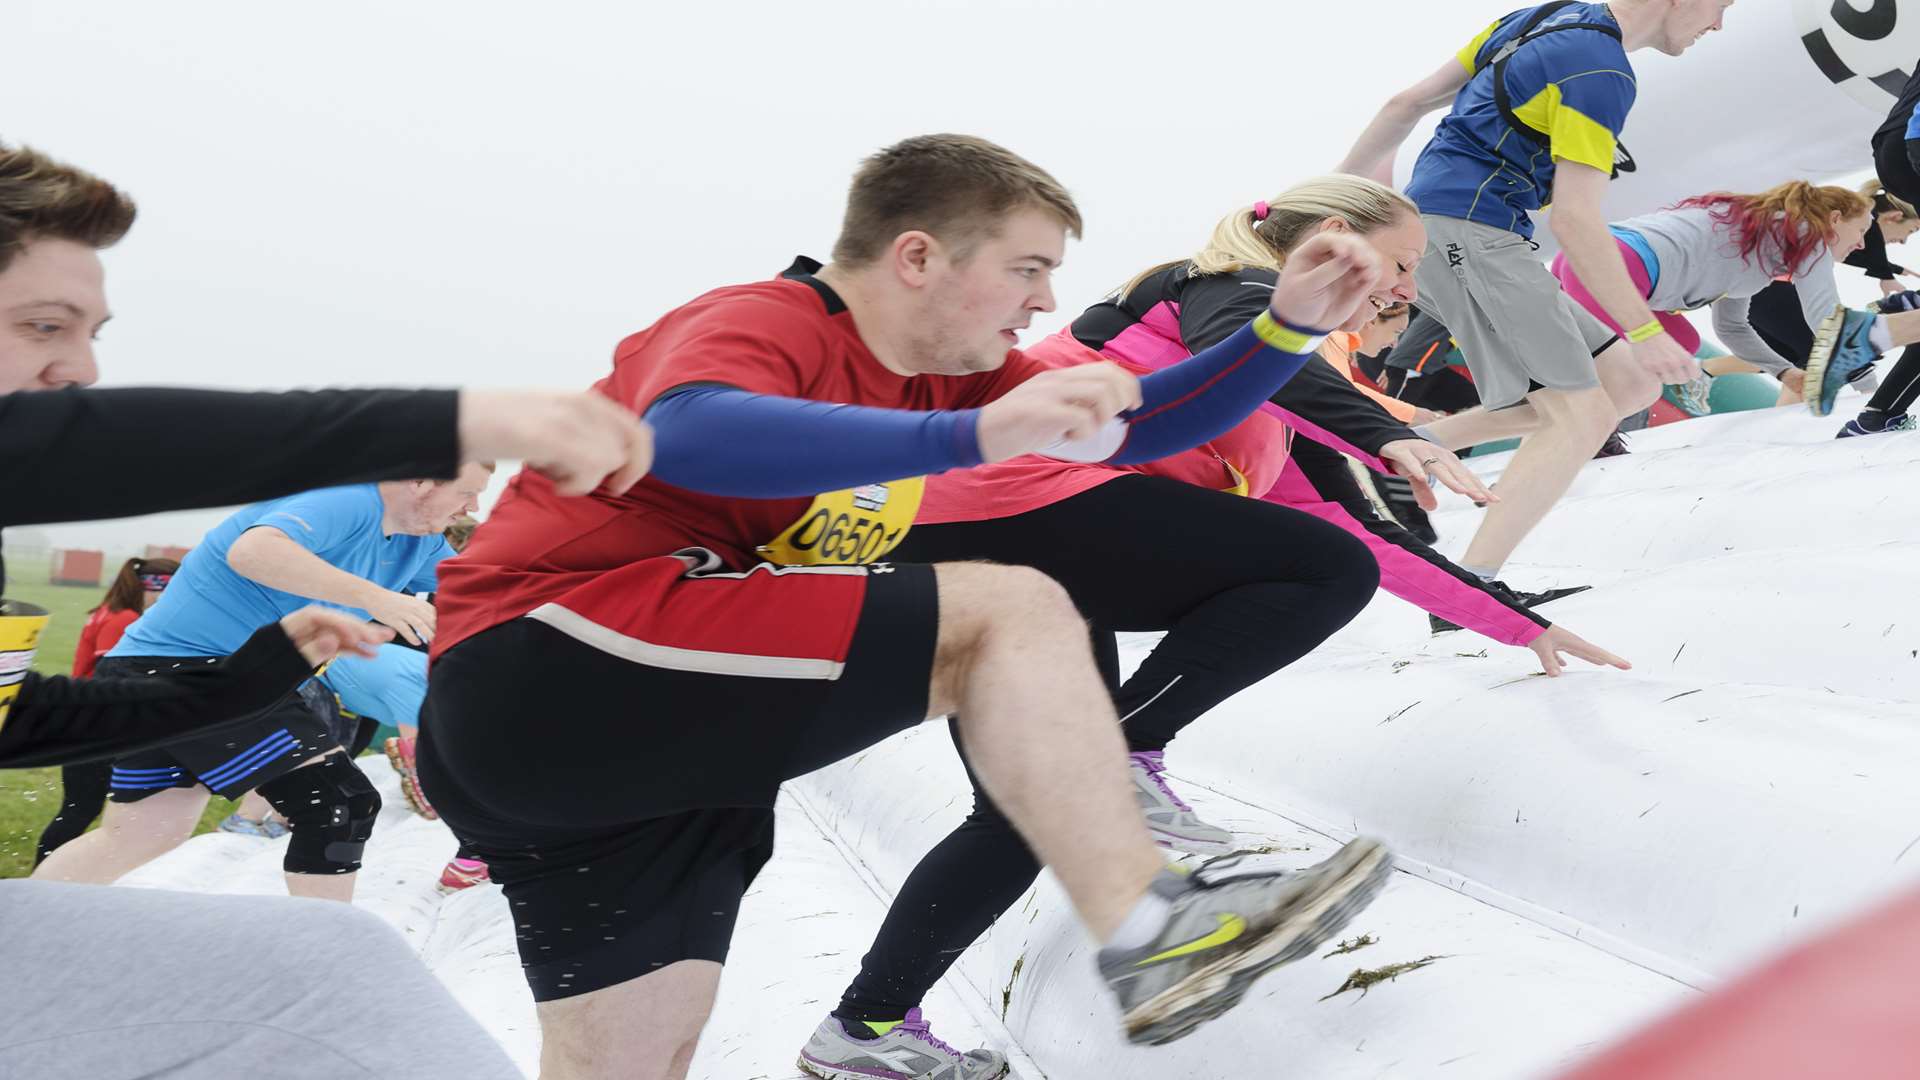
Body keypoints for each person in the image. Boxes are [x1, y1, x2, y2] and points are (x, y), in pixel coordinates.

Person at [418, 133, 1397, 1079]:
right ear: (918, 256)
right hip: (556, 661)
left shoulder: (954, 376)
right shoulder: (768, 318)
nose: (1047, 300)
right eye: (1027, 269)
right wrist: (966, 437)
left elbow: (1141, 426)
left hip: (621, 759)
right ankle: (1153, 928)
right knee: (1010, 609)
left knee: (634, 1059)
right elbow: (688, 433)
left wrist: (1288, 329)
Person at [798, 178, 1629, 1080]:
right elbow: (1253, 344)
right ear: (1338, 239)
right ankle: (1123, 751)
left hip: (1018, 559)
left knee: (1017, 817)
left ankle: (864, 1032)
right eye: (1401, 262)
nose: (1405, 287)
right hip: (998, 503)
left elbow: (1362, 536)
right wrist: (1385, 435)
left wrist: (1515, 625)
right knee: (1313, 568)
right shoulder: (1213, 286)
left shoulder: (1290, 400)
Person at [0, 141, 650, 1078]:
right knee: (339, 863)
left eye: (95, 332)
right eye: (45, 326)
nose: (84, 371)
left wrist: (262, 670)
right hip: (170, 664)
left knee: (150, 835)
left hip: (198, 683)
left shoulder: (424, 541)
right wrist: (450, 421)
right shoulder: (348, 502)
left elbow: (26, 723)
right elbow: (240, 531)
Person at [1338, 0, 1732, 583]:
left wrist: (1344, 196)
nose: (1718, 25)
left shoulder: (1541, 17)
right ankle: (1472, 589)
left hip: (1461, 230)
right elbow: (1575, 220)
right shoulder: (1600, 72)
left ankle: (1405, 449)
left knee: (1629, 382)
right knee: (1582, 413)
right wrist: (1646, 330)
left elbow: (1406, 104)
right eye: (1722, 7)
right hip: (1471, 235)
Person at [33, 466, 488, 904]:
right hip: (186, 672)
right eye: (467, 492)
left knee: (138, 837)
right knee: (337, 804)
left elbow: (478, 593)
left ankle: (16, 929)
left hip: (207, 677)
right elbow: (252, 553)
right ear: (419, 480)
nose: (472, 507)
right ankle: (323, 962)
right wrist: (377, 597)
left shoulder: (420, 544)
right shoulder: (347, 498)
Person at [1549, 181, 1897, 417]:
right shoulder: (1811, 235)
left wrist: (1784, 372)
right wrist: (1874, 399)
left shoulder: (1760, 241)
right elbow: (1827, 319)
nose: (1862, 245)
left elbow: (1731, 328)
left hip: (1584, 259)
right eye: (1863, 231)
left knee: (1682, 342)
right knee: (1637, 378)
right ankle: (1585, 425)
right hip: (1609, 266)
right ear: (1834, 219)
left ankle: (1566, 411)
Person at [31, 556, 179, 864]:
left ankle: (56, 875)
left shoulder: (108, 611)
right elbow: (114, 679)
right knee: (83, 810)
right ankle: (45, 877)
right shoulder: (123, 619)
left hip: (85, 720)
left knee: (85, 809)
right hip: (93, 724)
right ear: (158, 587)